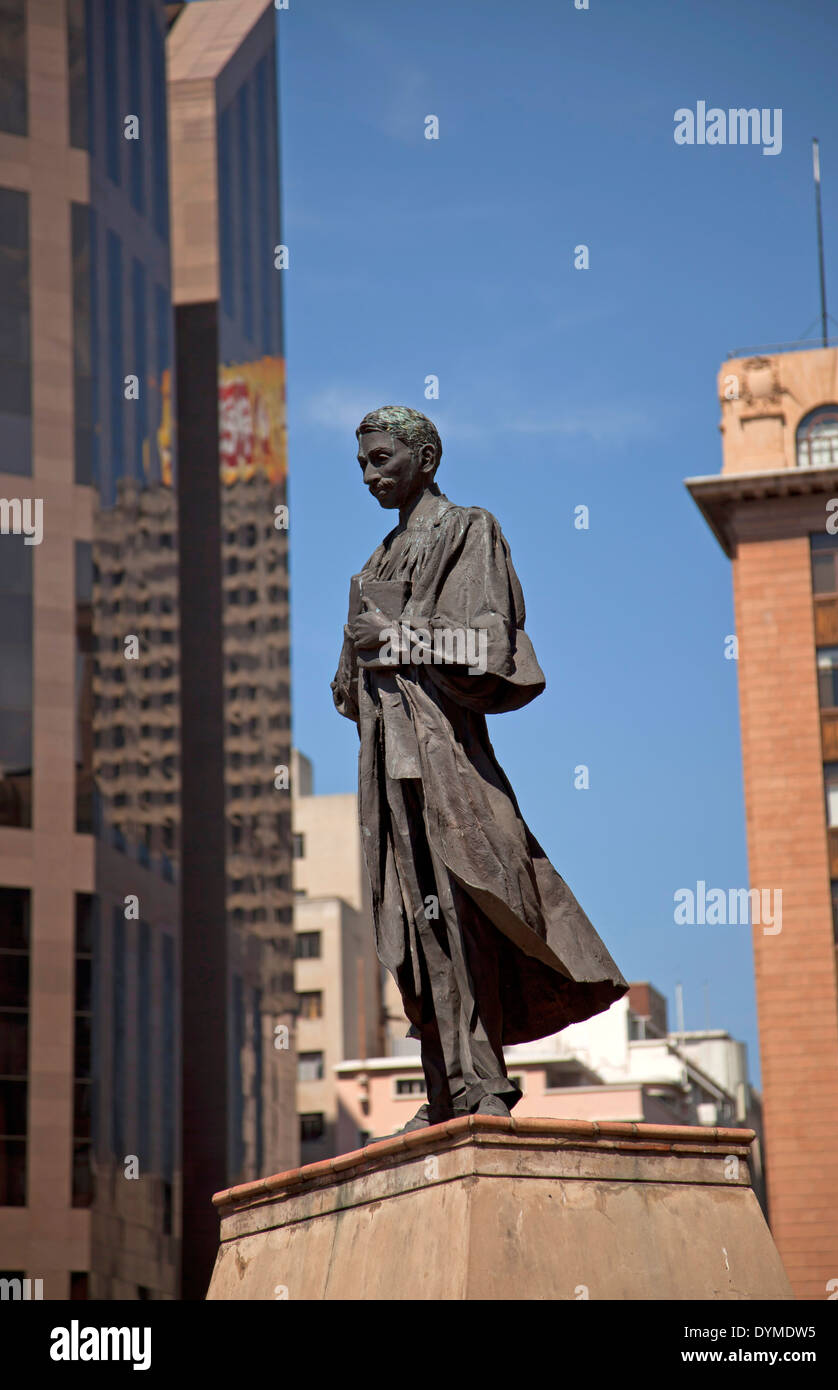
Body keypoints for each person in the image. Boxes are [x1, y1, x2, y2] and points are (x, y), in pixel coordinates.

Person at [332, 406, 627, 1129]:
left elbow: (492, 651)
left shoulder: (469, 529)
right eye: (362, 462)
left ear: (424, 458)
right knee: (413, 925)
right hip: (387, 774)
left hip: (446, 764)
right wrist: (359, 655)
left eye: (381, 459)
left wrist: (395, 636)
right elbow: (347, 690)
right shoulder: (371, 565)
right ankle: (446, 1090)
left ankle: (483, 1088)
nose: (369, 474)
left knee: (467, 907)